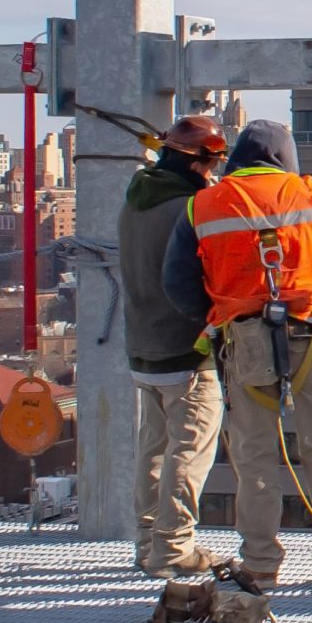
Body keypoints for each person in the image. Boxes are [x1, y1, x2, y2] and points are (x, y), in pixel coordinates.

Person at [163, 121, 312, 589]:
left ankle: (260, 563)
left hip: (243, 339)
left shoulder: (204, 205)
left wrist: (221, 316)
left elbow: (177, 282)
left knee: (253, 455)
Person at [117, 114, 227, 577]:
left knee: (155, 448)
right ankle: (173, 550)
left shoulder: (135, 201)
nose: (215, 172)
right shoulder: (191, 208)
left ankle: (148, 544)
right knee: (190, 451)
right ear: (198, 162)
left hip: (143, 347)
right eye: (213, 163)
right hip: (186, 348)